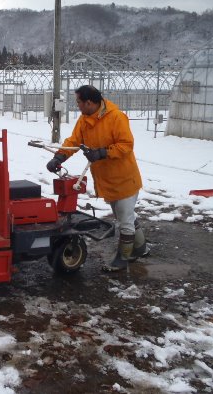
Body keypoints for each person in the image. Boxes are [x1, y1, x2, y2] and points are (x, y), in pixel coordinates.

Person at [46, 85, 149, 272]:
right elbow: (74, 141)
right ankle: (140, 248)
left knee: (124, 220)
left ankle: (123, 258)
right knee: (124, 215)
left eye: (78, 102)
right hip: (106, 179)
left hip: (124, 178)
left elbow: (126, 145)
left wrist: (102, 153)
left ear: (89, 102)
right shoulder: (85, 119)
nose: (76, 105)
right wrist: (59, 157)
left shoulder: (116, 117)